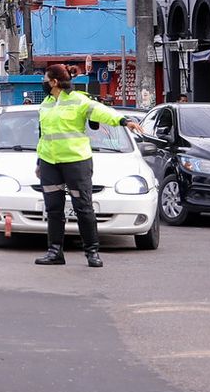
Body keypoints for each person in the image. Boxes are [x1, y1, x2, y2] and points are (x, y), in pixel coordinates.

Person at [34, 62, 141, 268]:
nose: (43, 84)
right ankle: (55, 252)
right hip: (50, 162)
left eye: (45, 80)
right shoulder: (45, 104)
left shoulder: (79, 101)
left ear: (55, 82)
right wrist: (39, 161)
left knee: (83, 208)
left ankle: (92, 252)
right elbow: (43, 135)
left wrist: (124, 121)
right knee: (53, 209)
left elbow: (103, 112)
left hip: (76, 162)